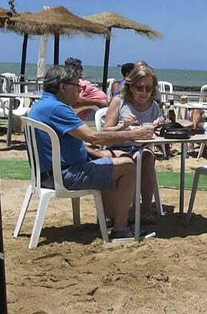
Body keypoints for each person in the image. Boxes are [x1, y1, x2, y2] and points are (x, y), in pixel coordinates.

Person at [27, 64, 155, 240]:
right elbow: (94, 137)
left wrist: (97, 154)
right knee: (127, 166)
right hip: (65, 175)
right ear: (63, 87)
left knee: (114, 156)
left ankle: (109, 218)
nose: (79, 91)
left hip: (48, 173)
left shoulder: (42, 105)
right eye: (76, 86)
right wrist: (134, 134)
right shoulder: (57, 109)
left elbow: (67, 141)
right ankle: (120, 228)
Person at [103, 61, 164, 217]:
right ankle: (122, 211)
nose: (144, 92)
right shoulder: (119, 102)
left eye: (148, 89)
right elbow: (105, 133)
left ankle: (146, 208)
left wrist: (158, 126)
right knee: (138, 158)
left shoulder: (153, 106)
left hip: (141, 149)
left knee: (147, 157)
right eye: (140, 88)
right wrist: (123, 126)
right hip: (118, 147)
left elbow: (156, 132)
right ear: (131, 87)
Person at [62, 57, 109, 121]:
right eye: (80, 68)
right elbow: (78, 100)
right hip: (98, 107)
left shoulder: (76, 82)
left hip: (98, 106)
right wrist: (99, 102)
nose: (82, 70)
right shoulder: (76, 83)